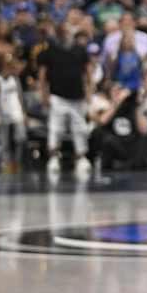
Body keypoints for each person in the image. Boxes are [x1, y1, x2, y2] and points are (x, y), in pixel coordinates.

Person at [39, 21, 95, 178]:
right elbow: (42, 75)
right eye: (62, 32)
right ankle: (54, 157)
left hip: (77, 96)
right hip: (57, 96)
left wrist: (89, 91)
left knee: (80, 128)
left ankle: (81, 157)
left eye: (67, 32)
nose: (65, 35)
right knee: (55, 129)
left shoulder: (79, 50)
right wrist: (43, 94)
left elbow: (88, 71)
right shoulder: (50, 51)